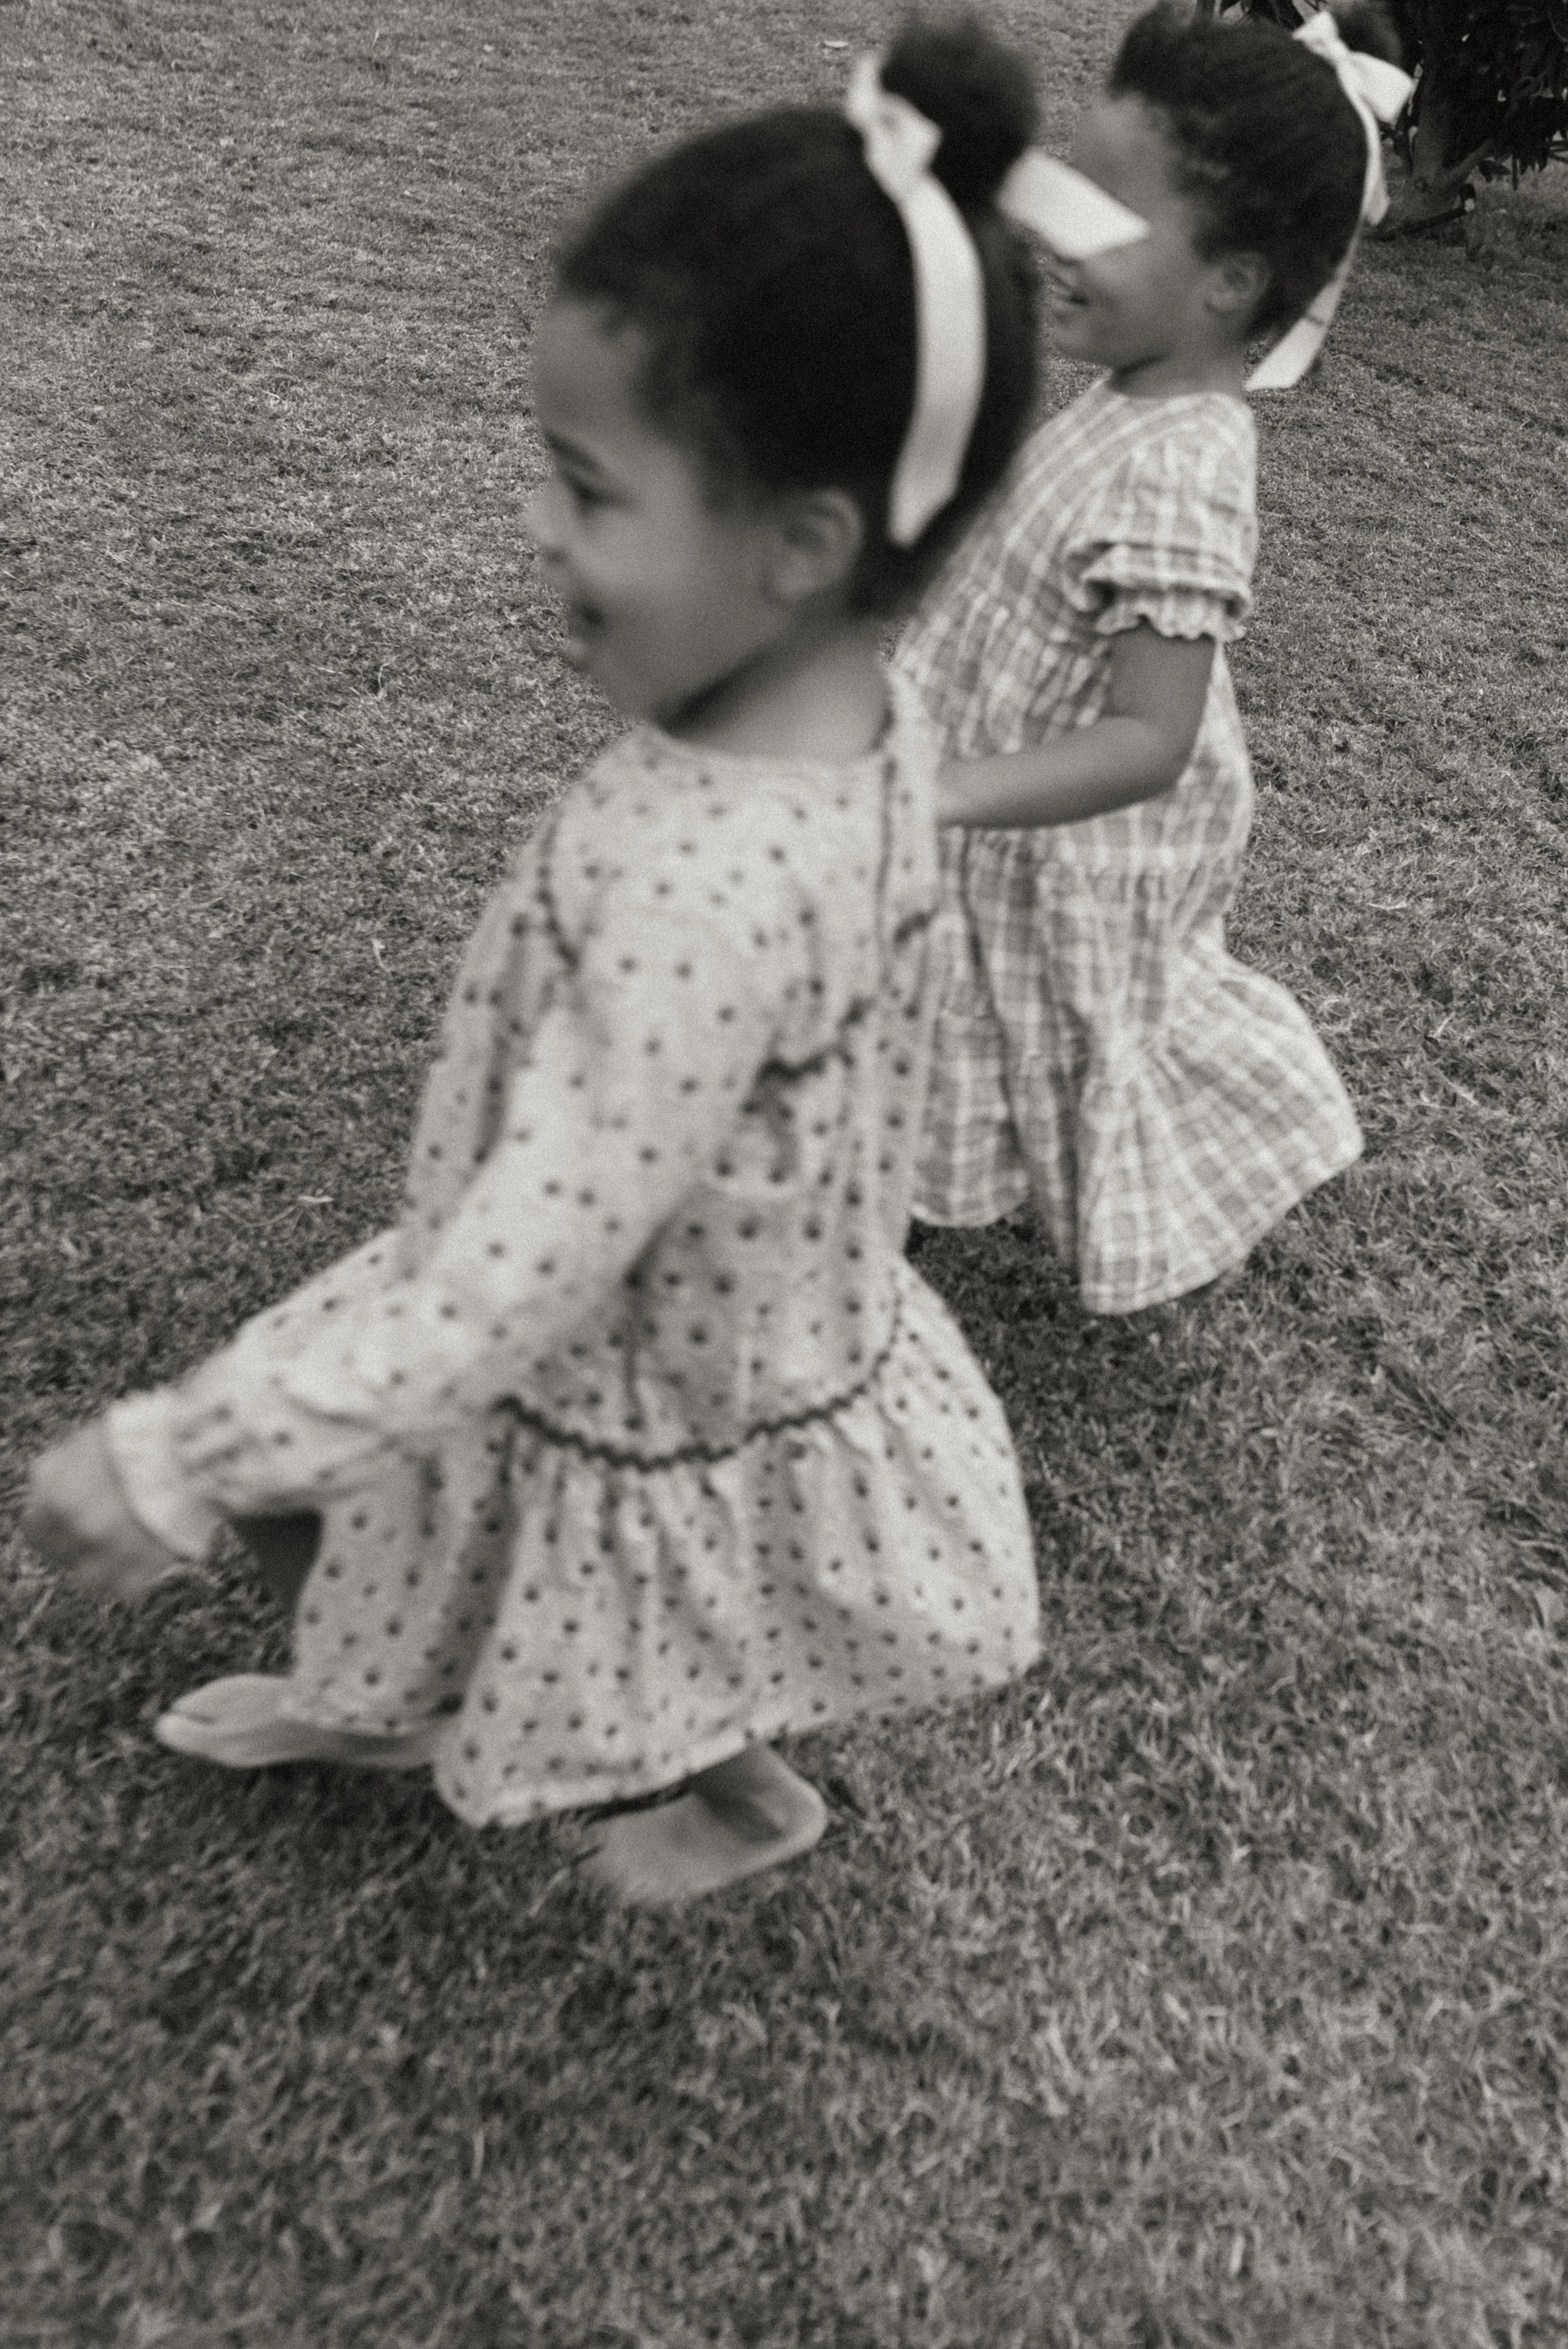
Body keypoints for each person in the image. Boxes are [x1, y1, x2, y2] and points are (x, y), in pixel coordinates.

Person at [22, 20, 1149, 1907]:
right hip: (725, 1285)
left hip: (625, 1332)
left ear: (798, 544)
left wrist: (174, 1454)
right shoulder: (860, 720)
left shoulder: (708, 887)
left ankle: (718, 1793)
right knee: (490, 1528)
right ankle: (395, 1689)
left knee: (350, 1469)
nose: (539, 529)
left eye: (589, 486)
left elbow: (496, 1288)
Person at [897, 1, 1411, 1315]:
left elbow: (1149, 736)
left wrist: (941, 795)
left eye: (1095, 213)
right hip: (982, 768)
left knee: (1022, 1014)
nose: (1049, 227)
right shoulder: (1126, 388)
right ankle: (852, 1190)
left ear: (1229, 281)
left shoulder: (1187, 462)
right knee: (914, 988)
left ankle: (852, 1229)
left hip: (1056, 832)